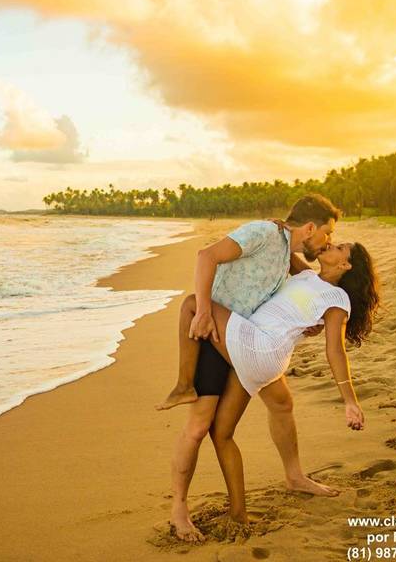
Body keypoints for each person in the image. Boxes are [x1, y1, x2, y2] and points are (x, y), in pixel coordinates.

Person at [156, 194, 343, 542]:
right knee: (199, 427)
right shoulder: (263, 232)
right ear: (310, 228)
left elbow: (302, 288)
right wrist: (203, 312)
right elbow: (206, 256)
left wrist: (311, 322)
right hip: (213, 334)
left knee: (281, 403)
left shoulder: (287, 251)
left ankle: (294, 476)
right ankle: (179, 510)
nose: (328, 241)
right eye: (327, 233)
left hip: (246, 337)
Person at [169, 241, 380, 541]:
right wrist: (281, 227)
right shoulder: (307, 276)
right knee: (262, 413)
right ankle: (264, 497)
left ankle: (183, 384)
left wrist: (350, 401)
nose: (331, 244)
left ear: (345, 265)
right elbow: (287, 244)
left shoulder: (337, 299)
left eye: (339, 247)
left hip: (258, 347)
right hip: (265, 353)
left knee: (193, 304)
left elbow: (335, 350)